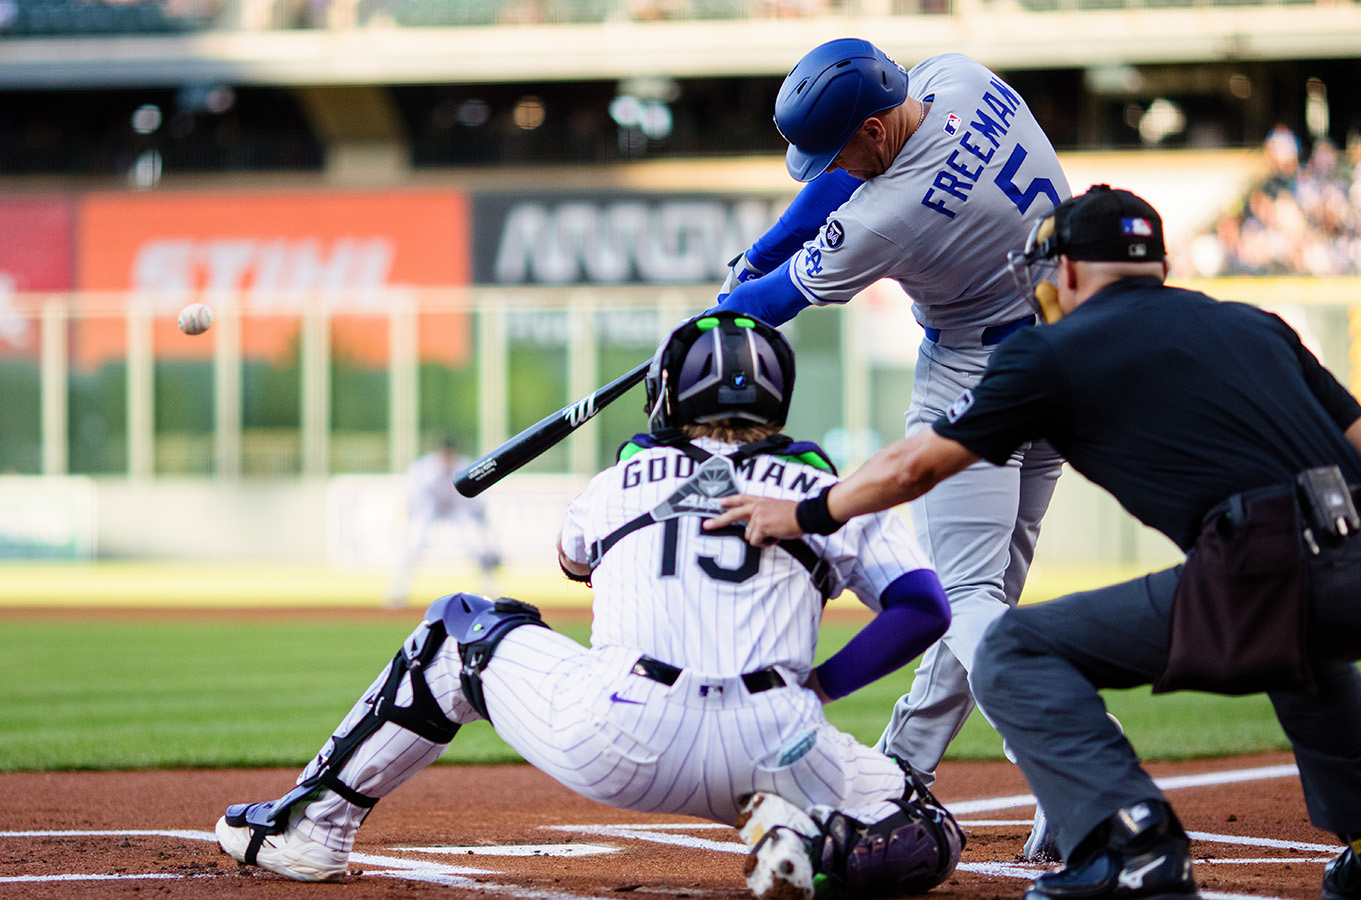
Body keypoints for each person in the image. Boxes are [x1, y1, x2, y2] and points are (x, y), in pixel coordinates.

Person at [709, 186, 1361, 900]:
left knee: (1012, 648)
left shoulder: (1054, 351)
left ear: (1067, 269)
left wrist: (804, 512)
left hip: (1273, 559)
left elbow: (917, 466)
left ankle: (1129, 841)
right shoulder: (1253, 321)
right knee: (1300, 647)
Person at [214, 314, 966, 900]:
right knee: (931, 833)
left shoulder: (620, 481)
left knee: (456, 629)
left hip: (618, 738)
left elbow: (573, 562)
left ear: (669, 395)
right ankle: (807, 849)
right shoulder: (827, 490)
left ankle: (313, 827)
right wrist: (822, 687)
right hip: (779, 745)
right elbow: (925, 610)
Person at [711, 37, 1072, 854]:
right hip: (1063, 351)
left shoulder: (890, 214)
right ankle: (905, 765)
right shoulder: (955, 75)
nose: (822, 166)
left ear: (873, 129)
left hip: (979, 372)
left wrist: (717, 309)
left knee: (969, 593)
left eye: (835, 146)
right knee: (982, 593)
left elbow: (769, 307)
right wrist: (762, 247)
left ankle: (1072, 764)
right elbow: (837, 184)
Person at [384, 437, 502, 609]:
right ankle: (398, 592)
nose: (448, 457)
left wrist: (481, 521)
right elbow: (415, 496)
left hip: (458, 507)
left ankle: (491, 591)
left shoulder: (464, 465)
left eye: (451, 453)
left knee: (474, 545)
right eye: (445, 453)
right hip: (429, 507)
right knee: (414, 544)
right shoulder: (425, 467)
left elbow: (475, 498)